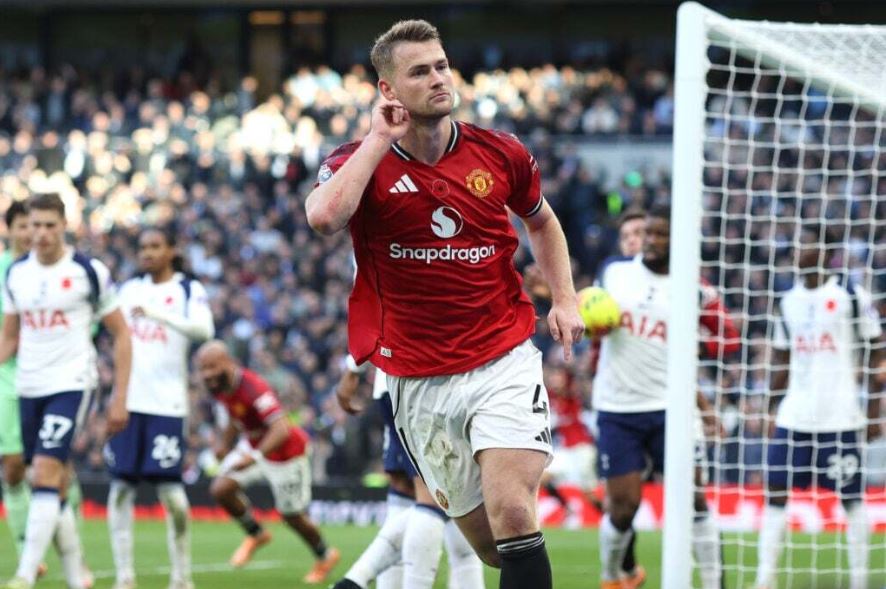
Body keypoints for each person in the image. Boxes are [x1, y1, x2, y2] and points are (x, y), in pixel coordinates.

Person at [305, 19, 584, 589]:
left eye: (441, 65)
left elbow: (543, 221)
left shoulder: (501, 153)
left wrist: (565, 298)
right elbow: (325, 218)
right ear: (388, 90)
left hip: (503, 357)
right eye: (419, 71)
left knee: (512, 511)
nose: (438, 79)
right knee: (491, 547)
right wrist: (379, 140)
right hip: (416, 379)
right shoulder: (356, 159)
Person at [593, 204, 738, 589]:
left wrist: (699, 351)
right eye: (649, 233)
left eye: (660, 234)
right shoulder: (615, 273)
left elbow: (731, 339)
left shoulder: (694, 289)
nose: (651, 241)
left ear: (679, 240)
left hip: (671, 410)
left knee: (693, 500)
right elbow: (592, 319)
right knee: (623, 507)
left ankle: (713, 582)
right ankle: (613, 576)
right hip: (617, 406)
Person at [0, 193, 132, 589]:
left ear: (64, 226)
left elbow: (121, 333)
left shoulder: (87, 271)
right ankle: (78, 576)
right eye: (34, 225)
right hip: (29, 384)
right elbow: (9, 338)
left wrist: (119, 397)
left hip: (72, 383)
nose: (39, 233)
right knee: (52, 481)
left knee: (43, 469)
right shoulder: (16, 274)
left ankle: (25, 573)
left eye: (48, 225)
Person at [753, 224, 885, 589]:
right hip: (794, 416)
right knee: (775, 492)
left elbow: (877, 350)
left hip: (840, 417)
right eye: (795, 245)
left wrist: (875, 411)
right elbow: (781, 357)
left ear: (825, 253)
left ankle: (859, 578)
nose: (797, 250)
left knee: (852, 498)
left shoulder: (849, 295)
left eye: (806, 244)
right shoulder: (787, 299)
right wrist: (768, 408)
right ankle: (766, 577)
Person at [105, 226, 215, 589]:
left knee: (172, 495)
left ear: (171, 250)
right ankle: (124, 576)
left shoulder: (187, 289)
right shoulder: (129, 290)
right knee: (120, 488)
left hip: (168, 405)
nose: (147, 253)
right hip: (128, 402)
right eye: (143, 247)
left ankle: (181, 576)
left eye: (155, 246)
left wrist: (158, 315)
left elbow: (205, 331)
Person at [194, 340, 341, 585]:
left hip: (285, 453)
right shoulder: (220, 386)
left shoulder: (254, 387)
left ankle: (325, 555)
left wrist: (254, 457)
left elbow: (281, 428)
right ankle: (257, 534)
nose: (207, 375)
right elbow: (235, 415)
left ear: (228, 362)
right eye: (202, 369)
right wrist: (225, 445)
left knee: (291, 515)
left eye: (211, 367)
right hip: (253, 446)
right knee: (221, 488)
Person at [332, 356, 485, 589]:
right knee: (439, 495)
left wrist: (353, 368)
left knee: (406, 491)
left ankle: (357, 581)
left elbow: (368, 321)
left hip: (392, 383)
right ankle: (354, 581)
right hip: (430, 379)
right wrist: (353, 368)